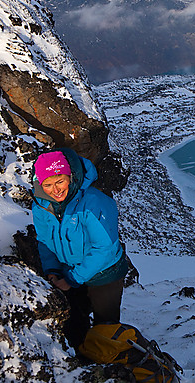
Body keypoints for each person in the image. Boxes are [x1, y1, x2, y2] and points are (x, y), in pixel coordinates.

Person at [31, 148, 129, 349]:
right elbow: (44, 241)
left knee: (106, 328)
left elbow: (105, 249)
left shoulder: (93, 202)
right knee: (74, 325)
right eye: (48, 184)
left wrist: (72, 279)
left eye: (60, 181)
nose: (55, 190)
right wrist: (52, 272)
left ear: (71, 177)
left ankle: (109, 367)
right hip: (69, 271)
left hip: (104, 274)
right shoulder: (41, 205)